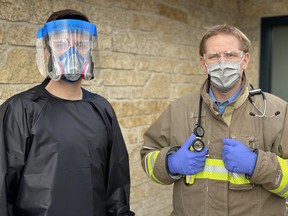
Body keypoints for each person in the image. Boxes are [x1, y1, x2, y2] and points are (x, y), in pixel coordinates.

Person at [140, 24, 288, 216]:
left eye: (230, 55)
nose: (222, 62)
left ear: (245, 60)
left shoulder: (276, 112)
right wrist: (171, 163)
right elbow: (148, 155)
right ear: (204, 64)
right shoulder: (179, 110)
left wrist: (256, 165)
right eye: (214, 56)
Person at [0, 9, 134, 216]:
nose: (72, 52)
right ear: (46, 51)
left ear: (90, 49)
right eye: (61, 44)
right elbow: (2, 190)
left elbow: (116, 188)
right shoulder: (21, 109)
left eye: (80, 45)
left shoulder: (101, 109)